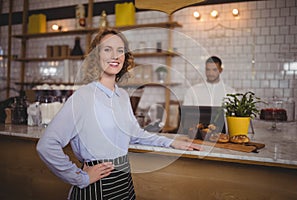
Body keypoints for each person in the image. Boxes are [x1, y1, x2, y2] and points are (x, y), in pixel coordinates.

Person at [36, 28, 201, 200]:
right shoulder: (83, 97)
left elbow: (135, 134)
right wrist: (80, 177)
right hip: (96, 187)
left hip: (123, 183)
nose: (115, 55)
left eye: (120, 50)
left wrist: (171, 142)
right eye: (107, 49)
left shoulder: (122, 95)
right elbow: (47, 145)